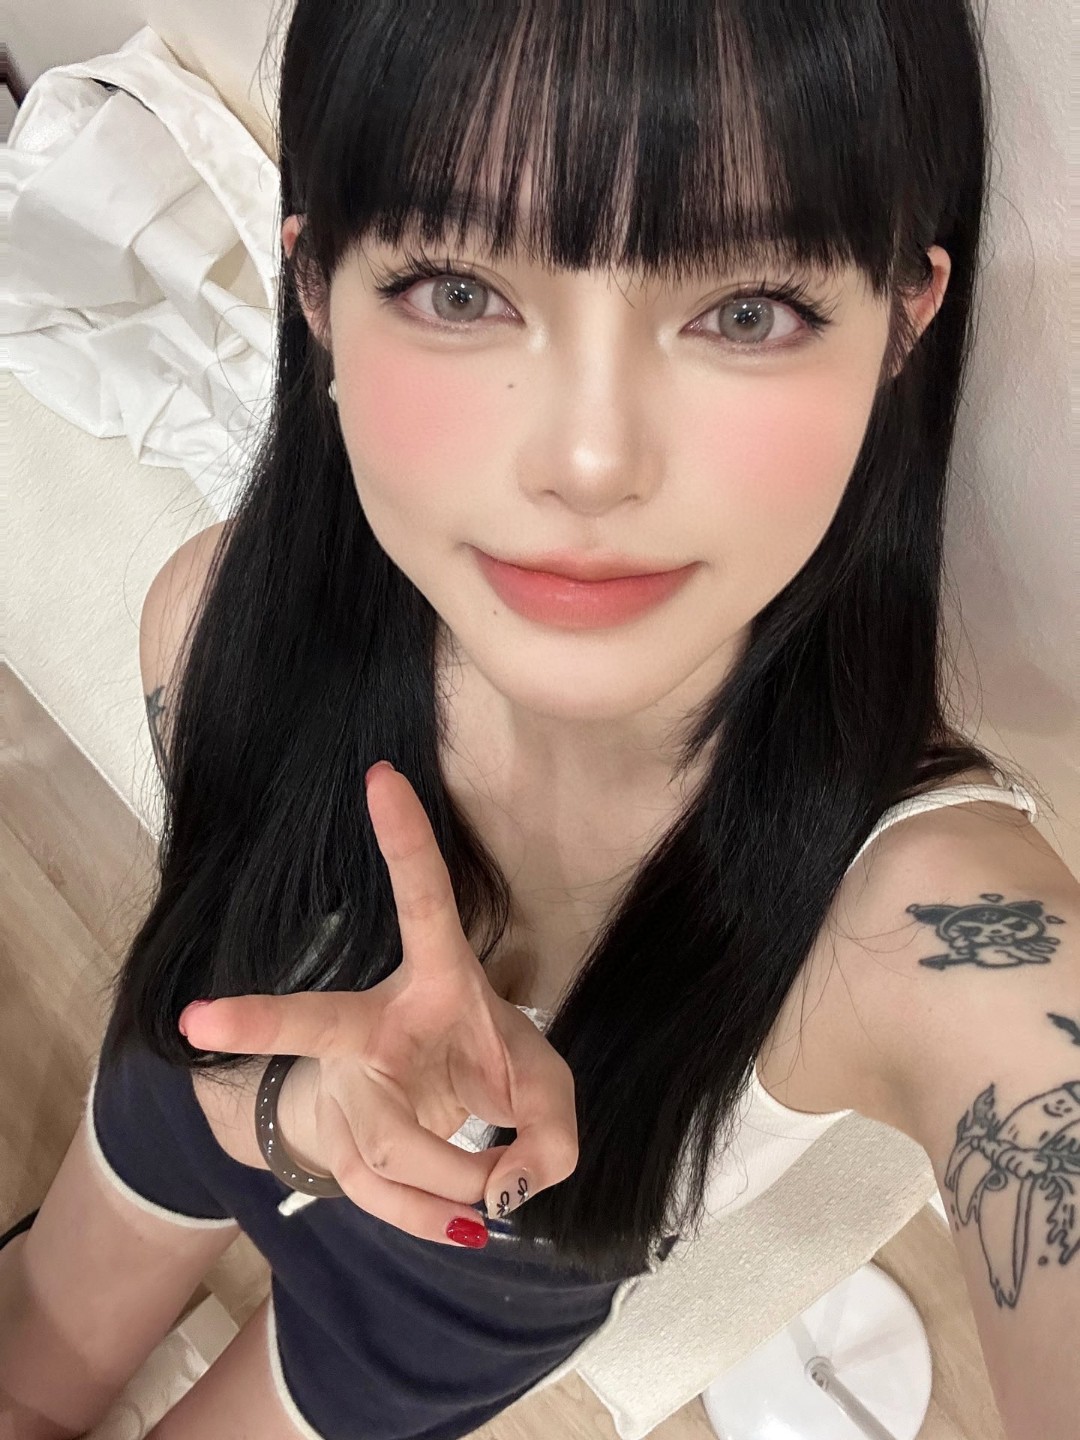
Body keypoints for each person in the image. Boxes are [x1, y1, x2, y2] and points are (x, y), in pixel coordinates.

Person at [1, 1, 1076, 1437]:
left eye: (746, 310)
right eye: (459, 290)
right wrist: (291, 1112)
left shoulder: (932, 932)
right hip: (205, 1088)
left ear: (903, 325)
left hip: (453, 1300)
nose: (587, 459)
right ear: (314, 286)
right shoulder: (209, 626)